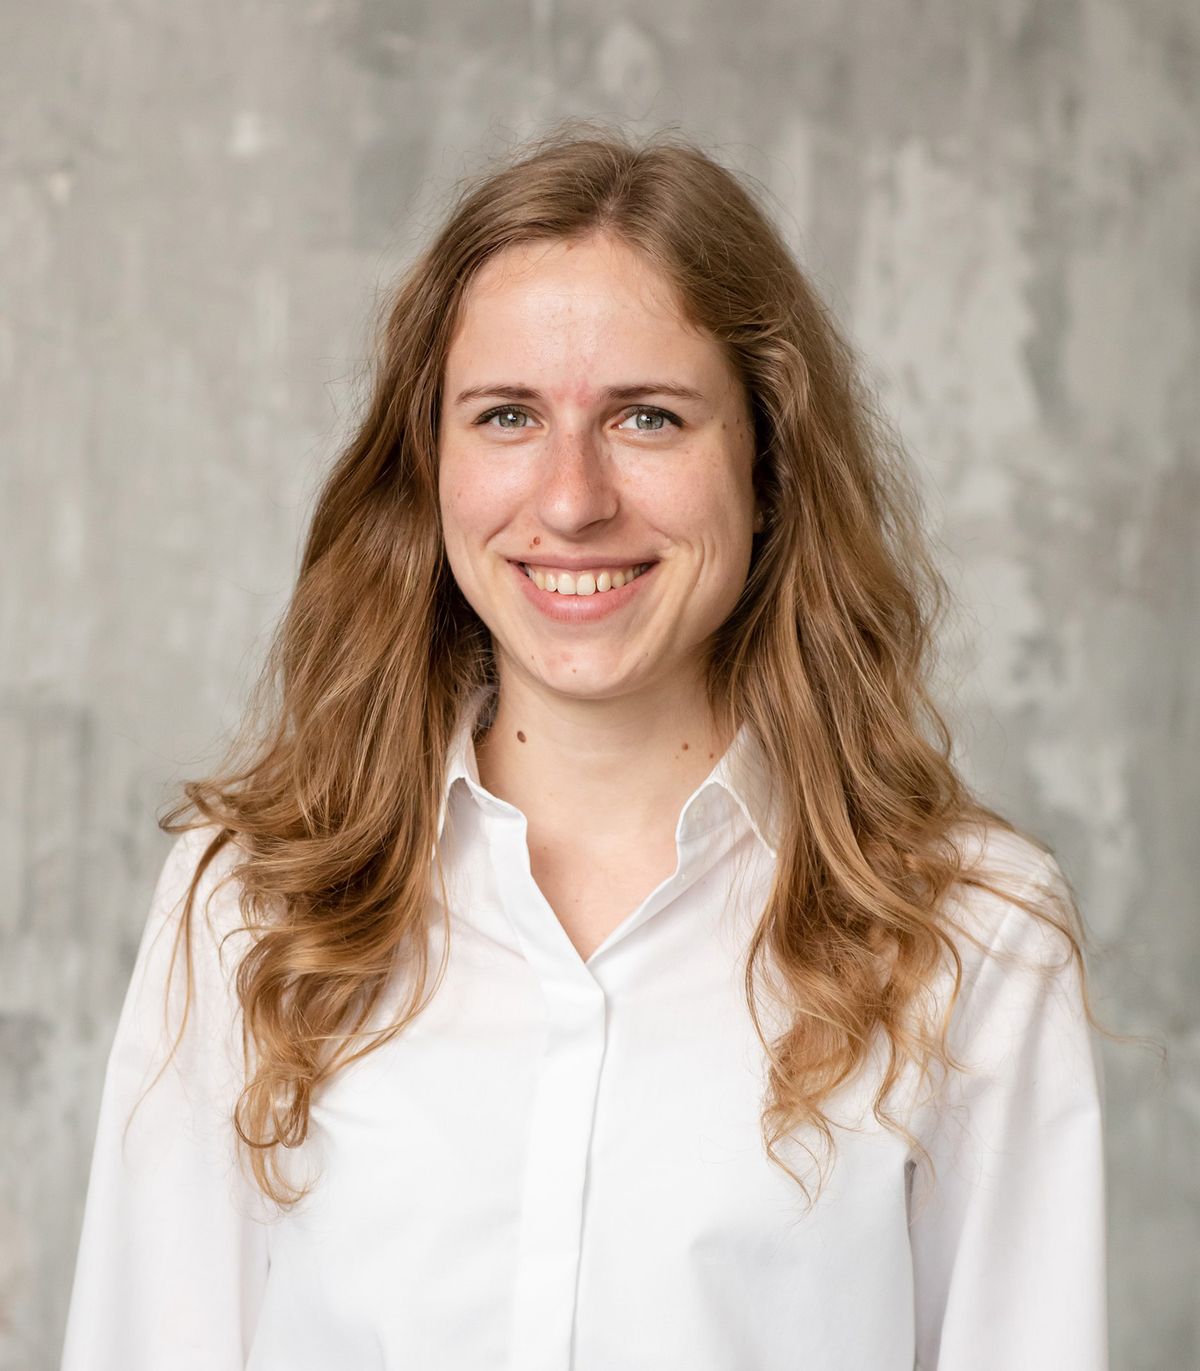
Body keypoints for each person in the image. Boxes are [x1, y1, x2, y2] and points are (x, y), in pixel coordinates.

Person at [61, 124, 1110, 1370]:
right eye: (506, 416)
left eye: (649, 419)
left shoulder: (974, 934)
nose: (570, 500)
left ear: (767, 466)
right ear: (429, 467)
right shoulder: (247, 904)